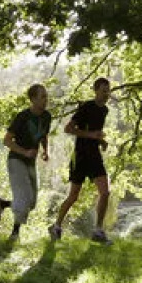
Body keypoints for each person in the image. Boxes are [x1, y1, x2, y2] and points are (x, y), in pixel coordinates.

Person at [52, 77, 112, 243]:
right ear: (95, 90)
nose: (107, 94)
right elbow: (68, 129)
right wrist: (92, 135)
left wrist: (101, 141)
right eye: (104, 90)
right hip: (80, 156)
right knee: (73, 196)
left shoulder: (104, 110)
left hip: (94, 155)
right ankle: (56, 226)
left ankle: (98, 231)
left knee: (105, 192)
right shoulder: (86, 107)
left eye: (108, 90)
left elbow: (95, 133)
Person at [0, 83, 52, 239]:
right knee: (23, 197)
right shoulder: (22, 117)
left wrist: (45, 151)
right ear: (33, 99)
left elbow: (44, 135)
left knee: (32, 203)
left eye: (46, 96)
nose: (46, 99)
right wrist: (25, 152)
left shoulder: (47, 116)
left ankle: (2, 204)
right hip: (16, 160)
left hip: (30, 162)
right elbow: (6, 140)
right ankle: (15, 234)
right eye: (42, 97)